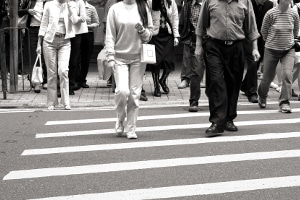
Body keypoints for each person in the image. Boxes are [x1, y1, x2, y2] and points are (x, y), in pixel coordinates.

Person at [195, 0, 260, 137]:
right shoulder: (210, 1)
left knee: (233, 83)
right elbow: (201, 25)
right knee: (216, 81)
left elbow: (251, 27)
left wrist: (254, 49)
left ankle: (228, 119)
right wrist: (198, 46)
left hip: (236, 46)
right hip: (214, 46)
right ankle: (217, 122)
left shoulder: (245, 2)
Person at [105, 0, 153, 139]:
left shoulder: (143, 7)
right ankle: (120, 119)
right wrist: (110, 57)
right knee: (122, 91)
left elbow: (150, 35)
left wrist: (143, 31)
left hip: (138, 58)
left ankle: (131, 128)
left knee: (134, 94)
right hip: (119, 58)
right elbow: (110, 35)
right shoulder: (115, 9)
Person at [37, 0, 83, 110]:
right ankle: (51, 102)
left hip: (65, 41)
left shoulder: (71, 5)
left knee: (63, 71)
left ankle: (65, 101)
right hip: (49, 41)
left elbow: (75, 21)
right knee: (51, 73)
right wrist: (39, 44)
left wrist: (70, 8)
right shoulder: (49, 4)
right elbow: (43, 24)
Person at [258, 0, 299, 113]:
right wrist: (272, 42)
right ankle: (262, 95)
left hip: (288, 49)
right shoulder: (271, 13)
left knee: (287, 74)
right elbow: (263, 31)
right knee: (267, 78)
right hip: (271, 49)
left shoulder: (294, 14)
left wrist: (288, 41)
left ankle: (284, 102)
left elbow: (295, 31)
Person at [241, 0, 274, 103]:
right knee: (252, 62)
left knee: (256, 62)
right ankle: (252, 93)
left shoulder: (269, 4)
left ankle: (244, 85)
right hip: (247, 36)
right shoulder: (247, 2)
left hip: (262, 38)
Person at [148, 0, 180, 97]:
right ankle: (156, 86)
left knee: (169, 62)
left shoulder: (171, 2)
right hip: (155, 36)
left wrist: (176, 36)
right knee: (155, 62)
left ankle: (162, 80)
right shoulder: (150, 2)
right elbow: (146, 17)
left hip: (168, 35)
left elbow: (175, 19)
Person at [179, 0, 205, 112]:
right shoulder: (188, 4)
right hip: (193, 41)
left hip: (210, 41)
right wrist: (186, 38)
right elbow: (182, 22)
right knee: (196, 71)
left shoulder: (209, 3)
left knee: (215, 71)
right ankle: (194, 101)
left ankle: (214, 97)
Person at [18, 0, 48, 93]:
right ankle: (36, 82)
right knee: (33, 55)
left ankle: (45, 79)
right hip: (32, 30)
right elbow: (18, 11)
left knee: (45, 55)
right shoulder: (30, 1)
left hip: (46, 31)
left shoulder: (48, 3)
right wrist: (28, 11)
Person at [77, 0, 99, 89]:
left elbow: (97, 23)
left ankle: (82, 80)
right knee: (76, 58)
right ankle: (76, 79)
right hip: (77, 34)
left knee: (86, 58)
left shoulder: (91, 8)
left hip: (88, 34)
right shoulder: (75, 7)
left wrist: (87, 26)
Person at [68, 0, 87, 95]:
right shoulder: (63, 2)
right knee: (64, 61)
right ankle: (61, 85)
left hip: (76, 33)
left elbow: (83, 18)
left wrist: (75, 18)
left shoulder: (80, 2)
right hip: (65, 32)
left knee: (73, 60)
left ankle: (71, 85)